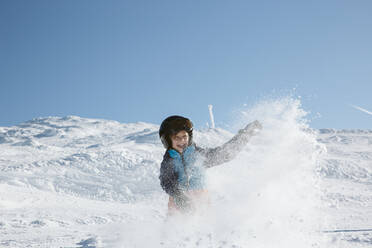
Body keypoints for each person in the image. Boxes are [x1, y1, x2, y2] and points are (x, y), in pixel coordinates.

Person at [159, 115, 262, 215]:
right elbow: (166, 181)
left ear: (189, 137)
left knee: (202, 227)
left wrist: (245, 135)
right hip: (178, 203)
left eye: (184, 136)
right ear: (168, 140)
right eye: (176, 138)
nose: (181, 141)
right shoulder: (169, 161)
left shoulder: (198, 155)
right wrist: (179, 196)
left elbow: (225, 154)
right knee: (177, 228)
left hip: (201, 200)